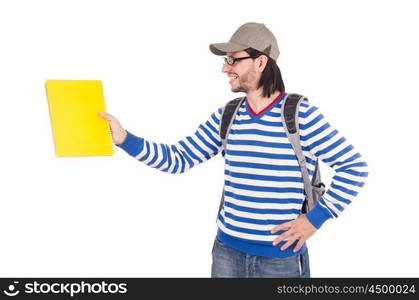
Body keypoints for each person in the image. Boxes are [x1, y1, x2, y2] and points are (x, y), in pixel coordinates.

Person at [99, 22, 368, 278]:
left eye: (233, 60)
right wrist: (124, 138)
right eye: (225, 61)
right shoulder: (228, 115)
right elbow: (178, 159)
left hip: (279, 259)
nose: (225, 69)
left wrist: (314, 220)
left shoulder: (300, 115)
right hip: (226, 254)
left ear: (260, 62)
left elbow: (354, 168)